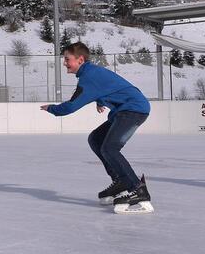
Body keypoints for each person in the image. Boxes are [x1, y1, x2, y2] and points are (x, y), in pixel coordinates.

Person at [40, 42, 154, 215]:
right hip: (125, 110)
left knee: (110, 148)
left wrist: (52, 108)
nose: (64, 63)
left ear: (80, 59)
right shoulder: (92, 73)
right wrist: (100, 101)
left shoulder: (88, 77)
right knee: (96, 139)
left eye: (67, 59)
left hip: (134, 109)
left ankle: (137, 189)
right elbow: (109, 85)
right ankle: (120, 181)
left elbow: (71, 106)